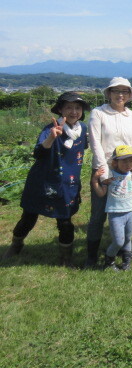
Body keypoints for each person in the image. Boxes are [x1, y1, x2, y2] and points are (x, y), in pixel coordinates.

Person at [3, 92, 90, 266]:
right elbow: (38, 153)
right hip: (43, 181)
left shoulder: (83, 130)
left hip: (68, 183)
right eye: (69, 108)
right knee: (29, 217)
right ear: (60, 110)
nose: (74, 112)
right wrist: (51, 137)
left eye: (77, 108)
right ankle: (16, 245)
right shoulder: (50, 129)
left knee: (65, 222)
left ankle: (66, 257)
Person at [85, 77, 132, 268]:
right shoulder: (99, 113)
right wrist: (103, 173)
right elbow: (95, 143)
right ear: (108, 93)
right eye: (116, 91)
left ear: (129, 95)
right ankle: (91, 256)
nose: (120, 95)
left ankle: (124, 253)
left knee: (125, 210)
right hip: (105, 170)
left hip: (126, 171)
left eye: (124, 91)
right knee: (99, 214)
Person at [91, 145, 132, 271]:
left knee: (127, 239)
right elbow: (101, 193)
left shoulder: (130, 175)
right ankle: (109, 261)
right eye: (124, 161)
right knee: (118, 241)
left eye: (130, 160)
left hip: (130, 211)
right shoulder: (110, 176)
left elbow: (131, 193)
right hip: (115, 213)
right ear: (115, 162)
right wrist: (95, 179)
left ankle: (127, 262)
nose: (128, 164)